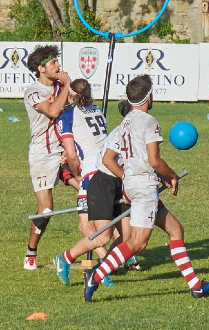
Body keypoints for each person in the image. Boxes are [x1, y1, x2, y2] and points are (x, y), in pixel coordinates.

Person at [84, 75, 209, 302]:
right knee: (138, 242)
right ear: (149, 97)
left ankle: (195, 286)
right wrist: (171, 175)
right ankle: (95, 276)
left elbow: (109, 157)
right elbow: (154, 159)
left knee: (176, 229)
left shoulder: (124, 123)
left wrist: (135, 177)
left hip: (135, 184)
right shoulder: (149, 122)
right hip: (144, 187)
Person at [53, 100, 137, 286]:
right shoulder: (68, 117)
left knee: (127, 236)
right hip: (95, 178)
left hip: (114, 179)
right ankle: (70, 259)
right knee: (94, 230)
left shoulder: (98, 114)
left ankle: (102, 266)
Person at [53, 78, 114, 285]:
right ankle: (108, 263)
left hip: (92, 174)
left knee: (89, 226)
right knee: (101, 226)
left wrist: (76, 173)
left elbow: (72, 154)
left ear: (70, 96)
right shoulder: (98, 111)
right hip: (110, 170)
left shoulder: (67, 116)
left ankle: (100, 265)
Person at [22, 44, 71, 270]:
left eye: (57, 62)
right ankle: (31, 252)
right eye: (53, 63)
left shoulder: (61, 86)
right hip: (43, 153)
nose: (58, 66)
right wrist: (67, 87)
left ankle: (119, 250)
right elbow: (52, 112)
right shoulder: (33, 91)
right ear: (41, 68)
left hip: (66, 150)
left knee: (94, 190)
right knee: (46, 209)